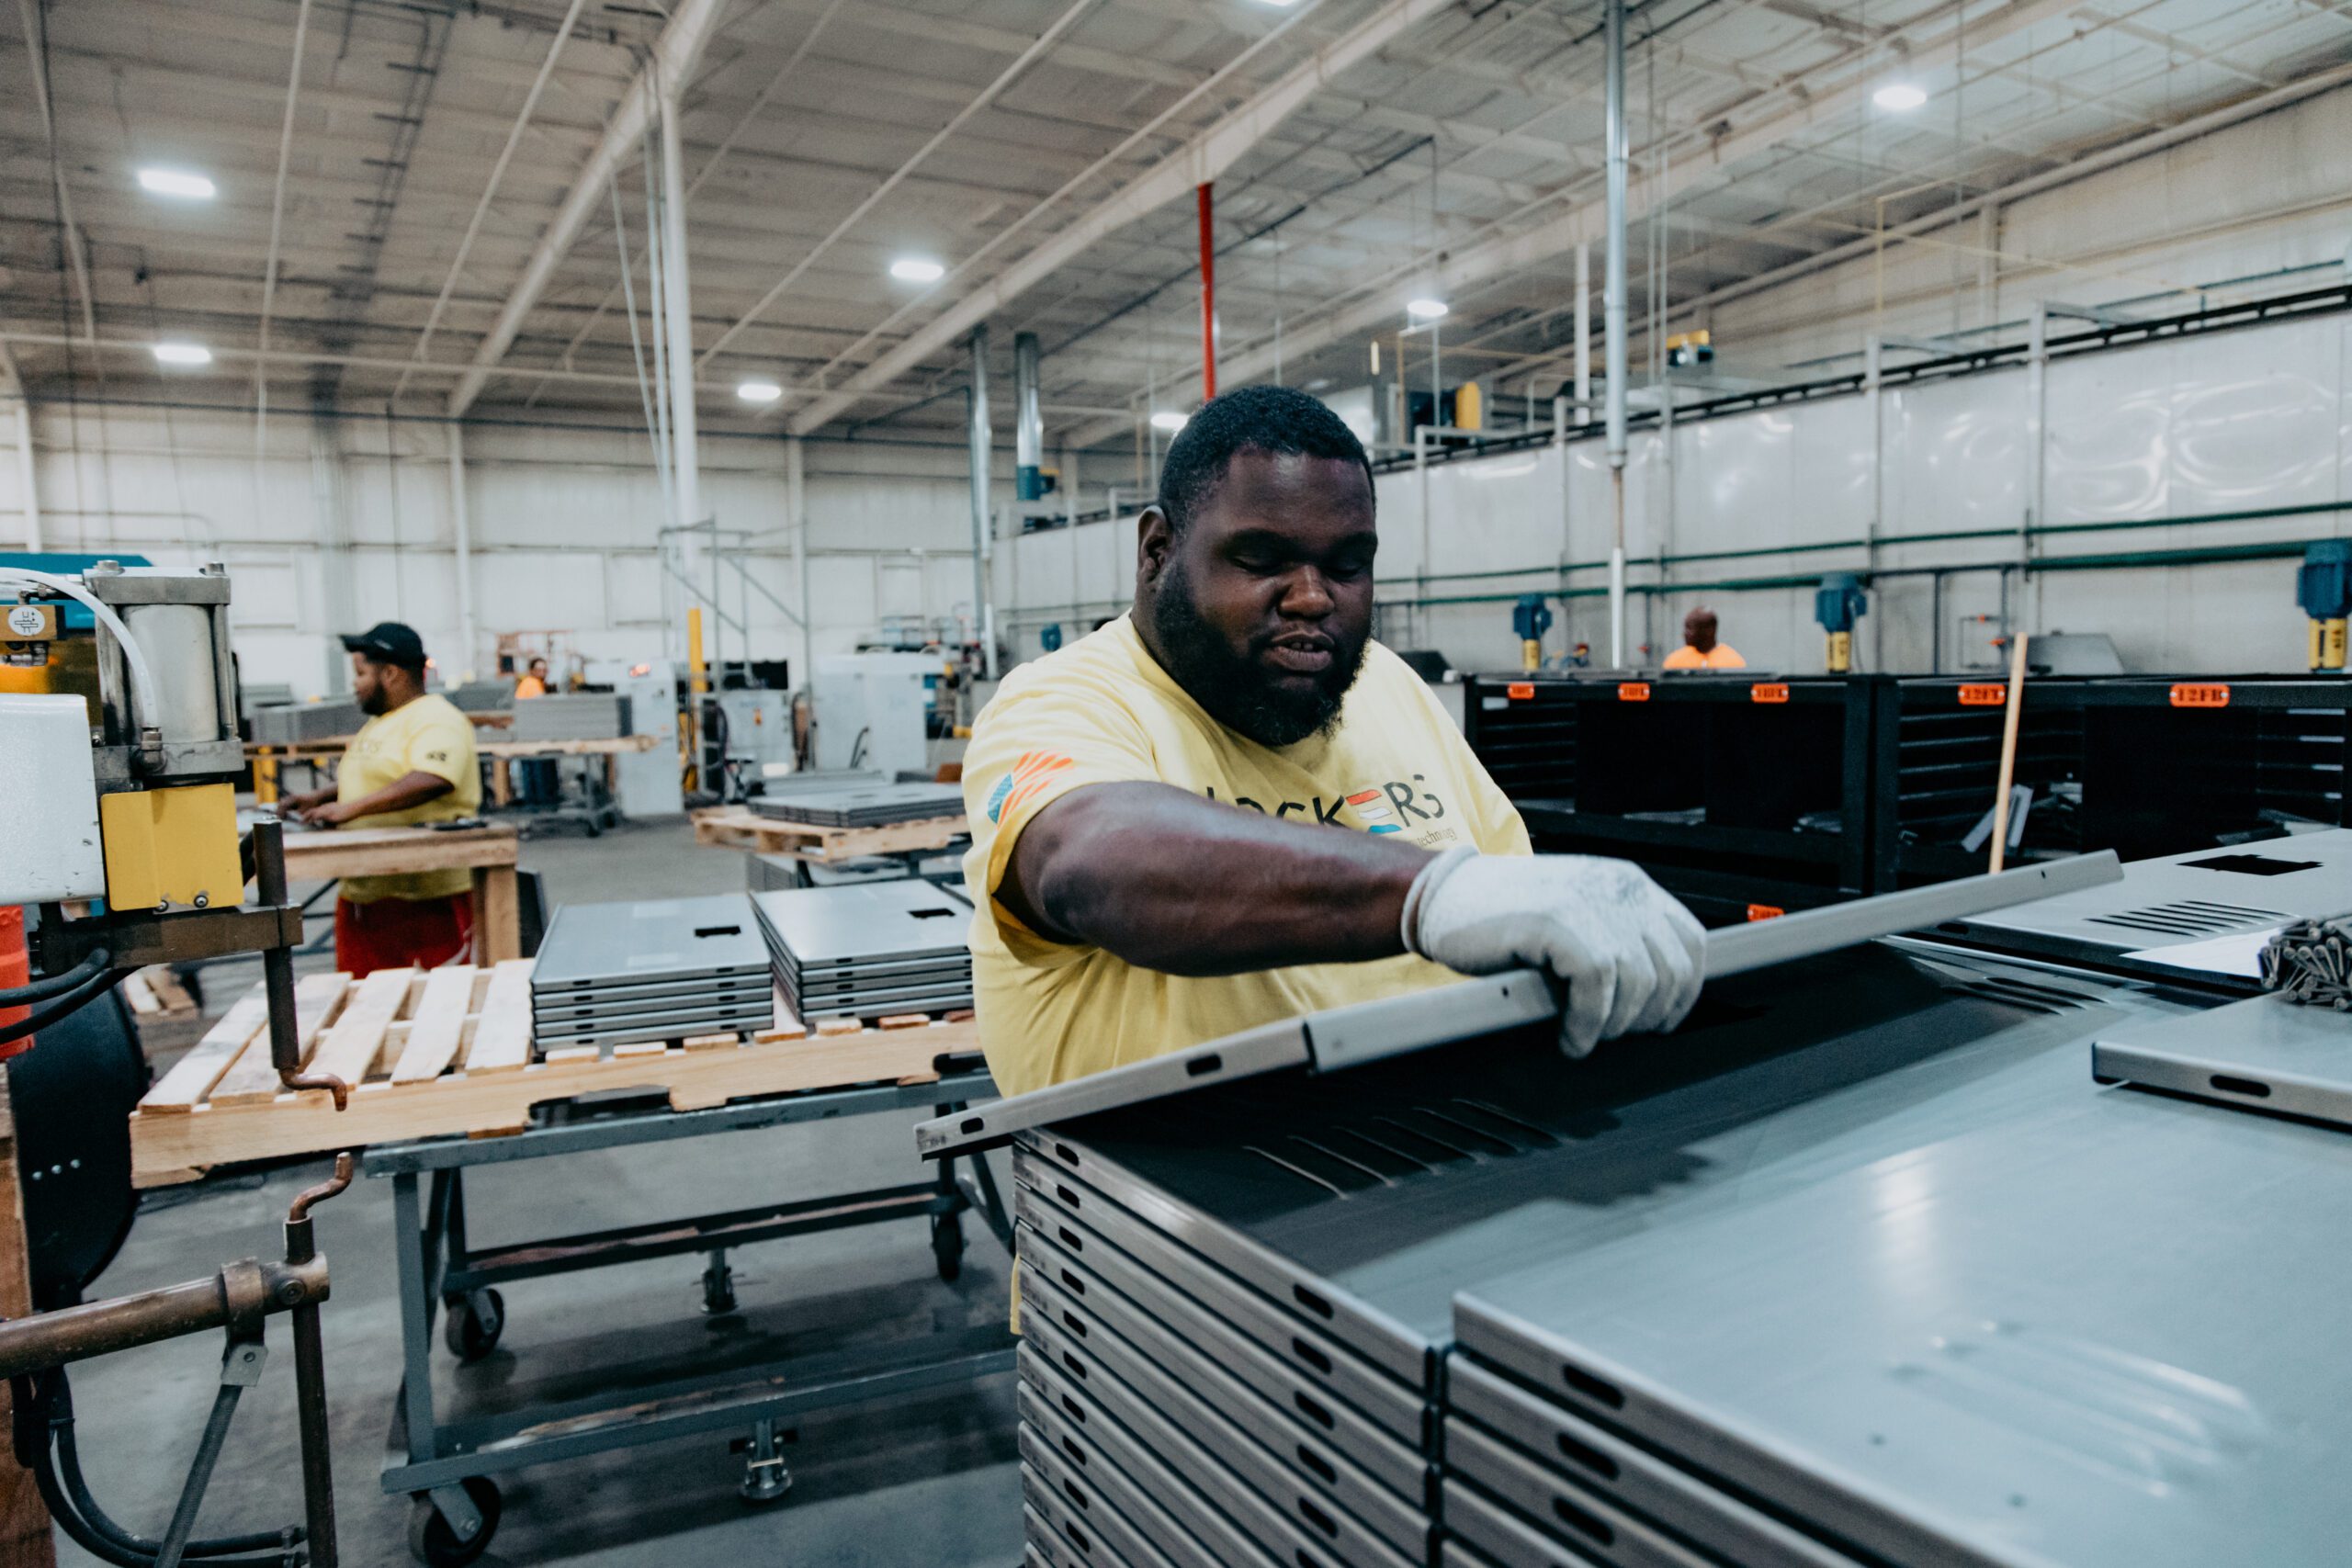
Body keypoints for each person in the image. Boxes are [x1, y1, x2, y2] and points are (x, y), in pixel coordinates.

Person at [962, 386, 1704, 1098]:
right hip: (1189, 1176)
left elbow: (1514, 917)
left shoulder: (1386, 684)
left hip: (1450, 1147)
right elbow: (1091, 861)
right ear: (1158, 551)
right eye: (1262, 559)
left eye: (1348, 565)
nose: (1313, 596)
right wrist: (1432, 894)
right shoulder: (1065, 700)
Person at [277, 623, 483, 976]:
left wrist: (349, 810)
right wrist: (318, 797)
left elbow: (433, 778)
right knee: (365, 998)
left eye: (361, 673)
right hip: (366, 892)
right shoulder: (381, 723)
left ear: (390, 674)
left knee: (434, 999)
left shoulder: (436, 718)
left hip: (425, 900)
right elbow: (377, 778)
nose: (355, 684)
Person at [511, 657, 558, 805]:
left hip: (526, 734)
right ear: (532, 671)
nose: (542, 672)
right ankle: (541, 803)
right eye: (539, 669)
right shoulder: (533, 684)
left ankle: (533, 802)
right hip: (533, 735)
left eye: (544, 670)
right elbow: (542, 708)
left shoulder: (527, 683)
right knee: (539, 770)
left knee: (530, 770)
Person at [1662, 606, 1746, 670]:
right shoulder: (1675, 660)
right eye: (1686, 628)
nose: (1685, 633)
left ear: (1709, 630)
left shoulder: (1732, 661)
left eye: (1690, 629)